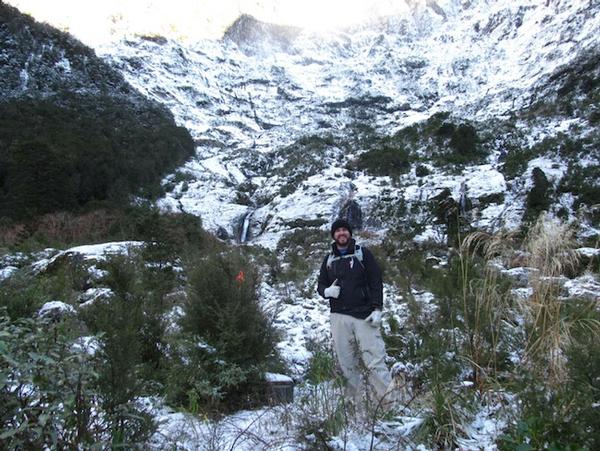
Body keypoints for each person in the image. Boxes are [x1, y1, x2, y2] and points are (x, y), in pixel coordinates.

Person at [317, 218, 394, 409]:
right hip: (339, 317)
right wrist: (326, 292)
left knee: (375, 361)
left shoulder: (363, 254)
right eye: (337, 231)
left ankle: (389, 405)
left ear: (350, 233)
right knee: (346, 364)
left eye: (344, 230)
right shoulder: (328, 259)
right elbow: (320, 284)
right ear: (333, 236)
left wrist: (377, 308)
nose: (341, 233)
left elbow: (376, 280)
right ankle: (354, 406)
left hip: (364, 316)